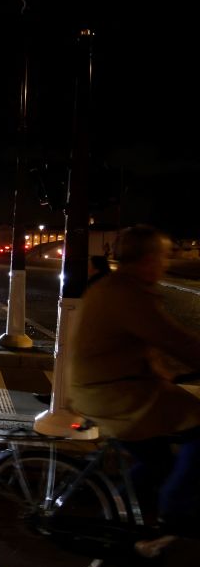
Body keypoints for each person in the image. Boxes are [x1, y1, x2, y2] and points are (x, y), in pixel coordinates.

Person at [70, 225, 200, 536]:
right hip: (116, 394)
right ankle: (175, 509)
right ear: (147, 258)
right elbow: (175, 340)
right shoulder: (127, 294)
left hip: (112, 388)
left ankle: (119, 512)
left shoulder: (114, 287)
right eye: (163, 256)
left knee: (159, 461)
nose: (165, 264)